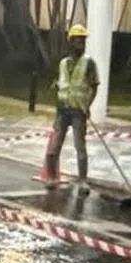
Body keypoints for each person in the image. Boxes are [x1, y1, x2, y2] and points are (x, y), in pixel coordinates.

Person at [45, 23, 99, 186]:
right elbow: (64, 82)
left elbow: (94, 86)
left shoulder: (89, 63)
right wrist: (57, 85)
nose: (81, 44)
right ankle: (52, 177)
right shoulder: (63, 63)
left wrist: (87, 105)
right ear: (70, 42)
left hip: (78, 111)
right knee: (54, 146)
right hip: (62, 110)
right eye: (77, 40)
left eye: (82, 41)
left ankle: (82, 180)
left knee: (80, 147)